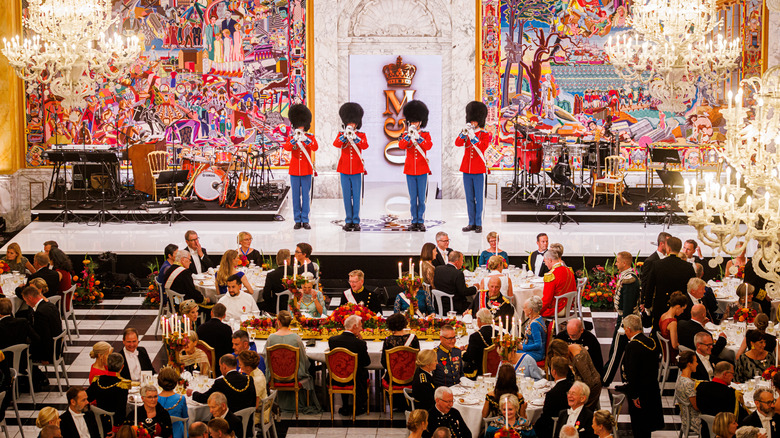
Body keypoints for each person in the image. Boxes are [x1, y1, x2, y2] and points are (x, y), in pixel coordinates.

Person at [266, 311, 319, 413]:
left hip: (275, 376)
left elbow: (267, 359)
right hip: (294, 376)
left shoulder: (271, 338)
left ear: (279, 322)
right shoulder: (296, 338)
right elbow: (303, 359)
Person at [620, 314, 664, 438]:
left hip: (639, 391)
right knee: (647, 424)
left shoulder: (632, 346)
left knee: (639, 424)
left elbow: (631, 372)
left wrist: (634, 395)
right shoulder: (651, 342)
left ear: (628, 329)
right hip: (652, 388)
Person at [604, 250, 640, 385]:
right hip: (626, 319)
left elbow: (628, 307)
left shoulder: (629, 280)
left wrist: (624, 326)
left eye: (618, 261)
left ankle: (605, 379)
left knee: (616, 352)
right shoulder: (627, 276)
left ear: (624, 263)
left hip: (626, 321)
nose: (616, 263)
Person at [644, 237, 696, 330]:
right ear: (680, 248)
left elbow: (650, 287)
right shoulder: (688, 266)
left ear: (668, 248)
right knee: (679, 332)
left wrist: (647, 306)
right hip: (681, 307)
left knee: (659, 332)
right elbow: (693, 287)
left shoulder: (657, 265)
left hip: (661, 306)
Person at [456, 100, 491, 234]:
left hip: (478, 169)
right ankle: (471, 222)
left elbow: (482, 147)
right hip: (467, 169)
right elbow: (457, 143)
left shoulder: (484, 134)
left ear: (479, 120)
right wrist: (464, 134)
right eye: (471, 120)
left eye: (475, 120)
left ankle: (479, 223)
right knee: (469, 198)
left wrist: (473, 137)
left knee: (479, 198)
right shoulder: (466, 132)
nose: (473, 122)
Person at [399, 100, 432, 231]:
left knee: (421, 199)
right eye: (412, 121)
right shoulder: (405, 135)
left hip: (422, 169)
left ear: (421, 122)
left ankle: (421, 220)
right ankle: (414, 220)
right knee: (413, 198)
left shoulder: (425, 134)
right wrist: (408, 136)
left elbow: (428, 146)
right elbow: (401, 145)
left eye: (416, 121)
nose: (414, 124)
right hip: (410, 170)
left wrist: (418, 137)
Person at [334, 102, 368, 231]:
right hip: (344, 169)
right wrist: (344, 136)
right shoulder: (341, 135)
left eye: (353, 123)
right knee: (347, 196)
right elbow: (336, 144)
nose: (351, 125)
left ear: (357, 123)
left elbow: (365, 145)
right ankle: (348, 220)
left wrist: (356, 138)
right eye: (349, 122)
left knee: (357, 197)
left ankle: (356, 221)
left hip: (357, 169)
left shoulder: (361, 135)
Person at [328, 314, 369, 416]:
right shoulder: (359, 343)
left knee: (343, 368)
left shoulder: (332, 340)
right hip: (356, 379)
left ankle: (345, 405)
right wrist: (361, 340)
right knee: (360, 371)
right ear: (354, 326)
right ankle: (359, 406)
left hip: (336, 377)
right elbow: (366, 362)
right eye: (360, 326)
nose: (361, 328)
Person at [284, 104, 318, 230]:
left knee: (306, 195)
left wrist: (305, 139)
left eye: (302, 125)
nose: (300, 128)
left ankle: (305, 219)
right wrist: (294, 140)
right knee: (295, 197)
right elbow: (287, 148)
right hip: (294, 171)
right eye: (298, 125)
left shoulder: (310, 137)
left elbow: (315, 147)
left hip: (306, 170)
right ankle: (297, 220)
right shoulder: (291, 137)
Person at [547, 339, 601, 410]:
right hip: (583, 386)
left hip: (592, 388)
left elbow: (589, 381)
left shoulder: (578, 357)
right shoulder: (569, 351)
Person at [192, 354, 256, 413]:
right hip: (247, 421)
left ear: (224, 366)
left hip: (228, 422)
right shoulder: (249, 379)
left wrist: (193, 393)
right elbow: (253, 402)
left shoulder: (221, 382)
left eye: (220, 366)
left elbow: (204, 398)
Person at [535, 357, 574, 438]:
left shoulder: (552, 394)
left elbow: (545, 417)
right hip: (571, 422)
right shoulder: (573, 386)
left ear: (554, 372)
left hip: (554, 427)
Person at [87, 352, 130, 426]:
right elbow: (121, 410)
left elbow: (87, 398)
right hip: (114, 423)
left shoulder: (97, 380)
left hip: (98, 420)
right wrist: (116, 428)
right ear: (122, 367)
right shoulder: (122, 385)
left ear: (107, 364)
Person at [540, 249, 577, 319]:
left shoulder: (551, 275)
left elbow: (546, 300)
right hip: (568, 306)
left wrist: (537, 310)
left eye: (545, 261)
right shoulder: (568, 270)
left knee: (530, 310)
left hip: (557, 309)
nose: (545, 264)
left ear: (550, 260)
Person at [197, 303, 234, 369]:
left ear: (211, 313)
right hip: (221, 365)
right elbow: (230, 349)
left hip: (203, 364)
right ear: (224, 315)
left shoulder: (200, 328)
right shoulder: (226, 329)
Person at [238, 350, 269, 427]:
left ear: (248, 367)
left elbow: (255, 406)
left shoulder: (257, 380)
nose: (239, 366)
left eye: (241, 364)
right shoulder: (256, 372)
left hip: (258, 415)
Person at [639, 232, 670, 306]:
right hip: (654, 301)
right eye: (668, 243)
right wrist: (644, 302)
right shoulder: (650, 261)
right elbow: (645, 283)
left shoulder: (668, 259)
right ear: (661, 244)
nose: (670, 246)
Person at [675, 350, 701, 437]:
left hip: (685, 417)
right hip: (694, 420)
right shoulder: (688, 383)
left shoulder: (680, 378)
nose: (697, 364)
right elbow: (697, 407)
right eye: (696, 361)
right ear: (689, 364)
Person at [157, 367, 189, 438]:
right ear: (175, 381)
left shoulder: (155, 399)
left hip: (160, 433)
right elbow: (185, 418)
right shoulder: (181, 399)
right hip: (178, 434)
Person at [462, 309, 494, 378]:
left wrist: (462, 352)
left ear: (479, 320)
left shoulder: (475, 336)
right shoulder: (499, 333)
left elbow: (469, 358)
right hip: (495, 370)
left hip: (479, 372)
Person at [261, 249, 292, 314]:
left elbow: (266, 295)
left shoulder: (271, 275)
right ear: (288, 260)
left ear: (277, 260)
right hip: (294, 305)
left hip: (276, 307)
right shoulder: (296, 272)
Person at [519, 296, 547, 362]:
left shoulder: (534, 324)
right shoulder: (538, 318)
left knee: (512, 355)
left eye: (525, 308)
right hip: (531, 350)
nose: (523, 309)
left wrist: (523, 347)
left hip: (536, 353)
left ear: (530, 310)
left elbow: (538, 345)